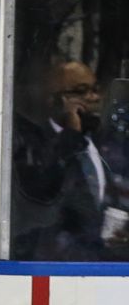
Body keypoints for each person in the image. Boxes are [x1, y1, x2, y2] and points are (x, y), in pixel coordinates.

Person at [13, 60, 120, 260]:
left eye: (95, 90)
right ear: (53, 100)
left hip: (103, 263)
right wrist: (70, 136)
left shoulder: (100, 142)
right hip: (56, 265)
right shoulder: (35, 145)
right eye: (81, 91)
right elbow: (44, 195)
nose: (93, 98)